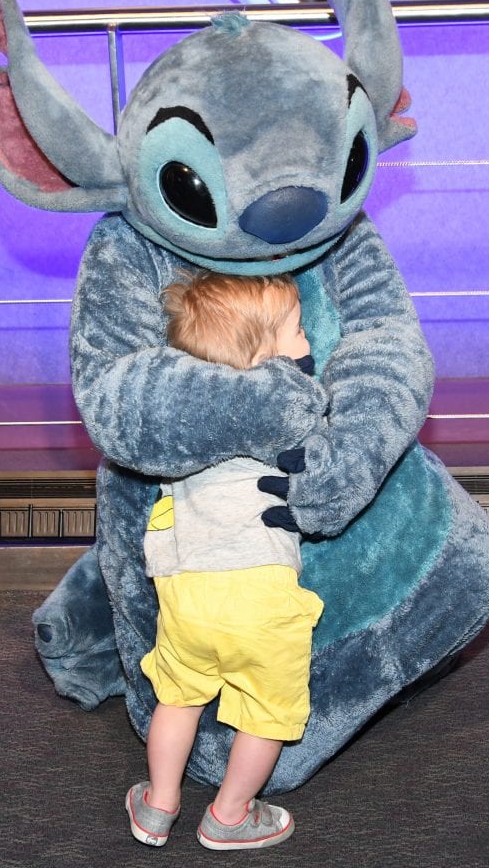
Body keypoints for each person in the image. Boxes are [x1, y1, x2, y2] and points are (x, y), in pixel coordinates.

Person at [125, 271, 323, 851]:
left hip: (187, 596)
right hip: (261, 597)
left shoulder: (183, 432)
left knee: (177, 698)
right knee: (266, 713)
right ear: (264, 358)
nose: (308, 341)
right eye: (298, 331)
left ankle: (159, 806)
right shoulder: (292, 416)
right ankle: (230, 816)